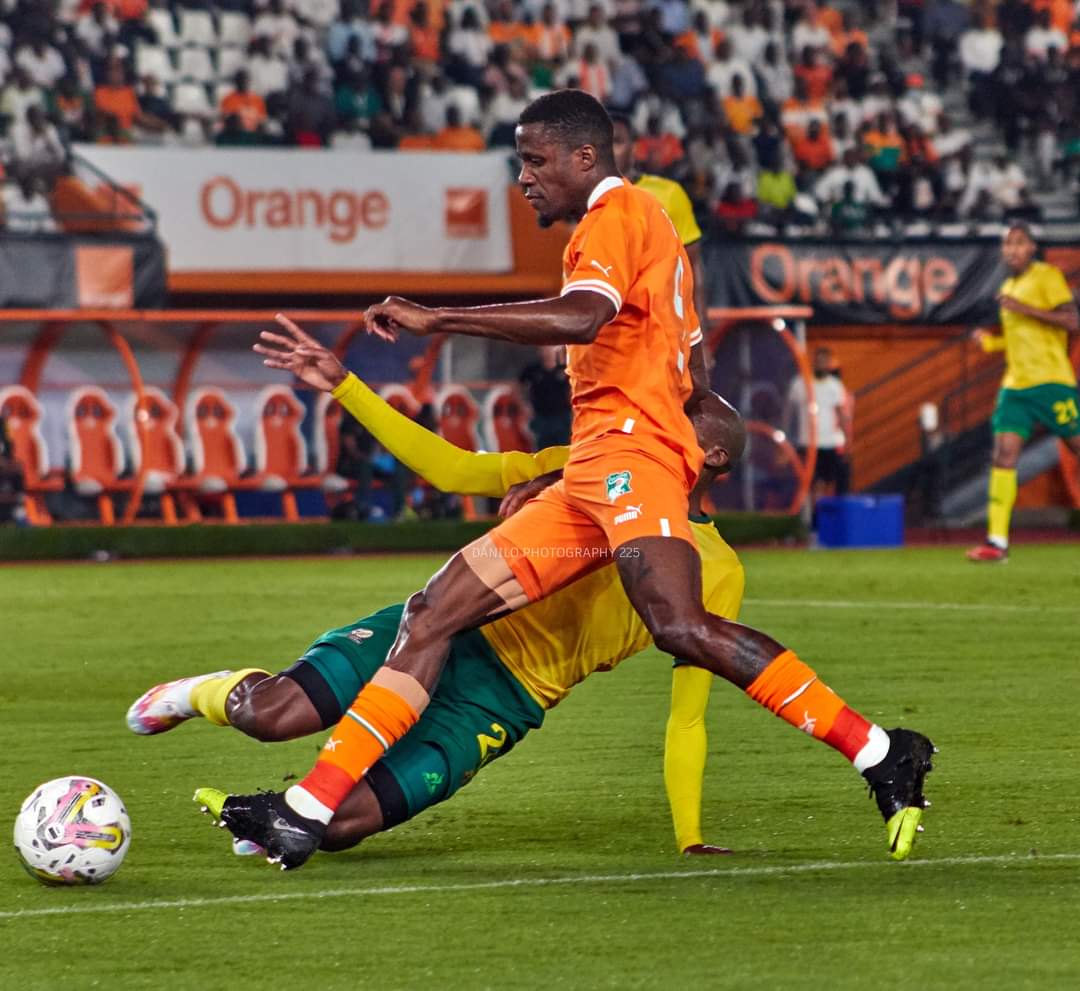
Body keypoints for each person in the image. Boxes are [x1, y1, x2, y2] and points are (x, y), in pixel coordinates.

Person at [225, 91, 934, 869]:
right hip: (596, 465)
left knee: (679, 625)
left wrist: (442, 319)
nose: (523, 176)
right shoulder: (650, 236)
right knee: (432, 610)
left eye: (534, 159)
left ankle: (879, 748)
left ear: (583, 157)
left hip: (631, 459)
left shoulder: (616, 217)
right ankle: (307, 807)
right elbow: (694, 368)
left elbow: (581, 317)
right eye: (519, 160)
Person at [130, 374, 747, 858]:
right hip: (444, 628)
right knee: (271, 715)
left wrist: (689, 834)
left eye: (675, 423)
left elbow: (688, 713)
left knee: (341, 828)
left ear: (713, 455)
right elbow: (451, 468)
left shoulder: (716, 570)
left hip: (503, 702)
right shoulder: (588, 465)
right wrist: (345, 385)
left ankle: (283, 811)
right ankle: (196, 693)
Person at [967, 223, 1080, 561]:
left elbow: (1072, 321)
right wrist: (990, 343)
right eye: (1007, 244)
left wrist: (1023, 308)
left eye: (1019, 243)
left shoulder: (1046, 276)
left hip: (1051, 382)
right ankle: (997, 542)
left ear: (1032, 248)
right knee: (1003, 455)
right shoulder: (1008, 286)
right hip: (1015, 387)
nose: (1012, 249)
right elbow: (1019, 337)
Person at [610, 115, 708, 355]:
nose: (609, 151)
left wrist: (701, 340)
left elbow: (692, 271)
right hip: (610, 339)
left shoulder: (669, 194)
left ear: (635, 147)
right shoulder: (583, 202)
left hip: (661, 336)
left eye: (617, 141)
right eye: (601, 144)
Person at [784, 346, 852, 502]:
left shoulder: (835, 385)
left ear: (829, 364)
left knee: (830, 480)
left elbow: (842, 414)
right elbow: (788, 414)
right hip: (807, 442)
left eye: (825, 361)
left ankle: (827, 516)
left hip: (830, 443)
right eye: (819, 361)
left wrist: (848, 441)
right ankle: (810, 517)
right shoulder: (799, 384)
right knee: (810, 482)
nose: (822, 364)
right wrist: (786, 440)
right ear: (813, 362)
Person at [519, 345, 572, 448]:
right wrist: (524, 404)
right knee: (542, 450)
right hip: (541, 417)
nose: (547, 351)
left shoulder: (565, 369)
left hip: (563, 417)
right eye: (544, 348)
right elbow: (519, 386)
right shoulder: (532, 369)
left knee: (564, 450)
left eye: (550, 348)